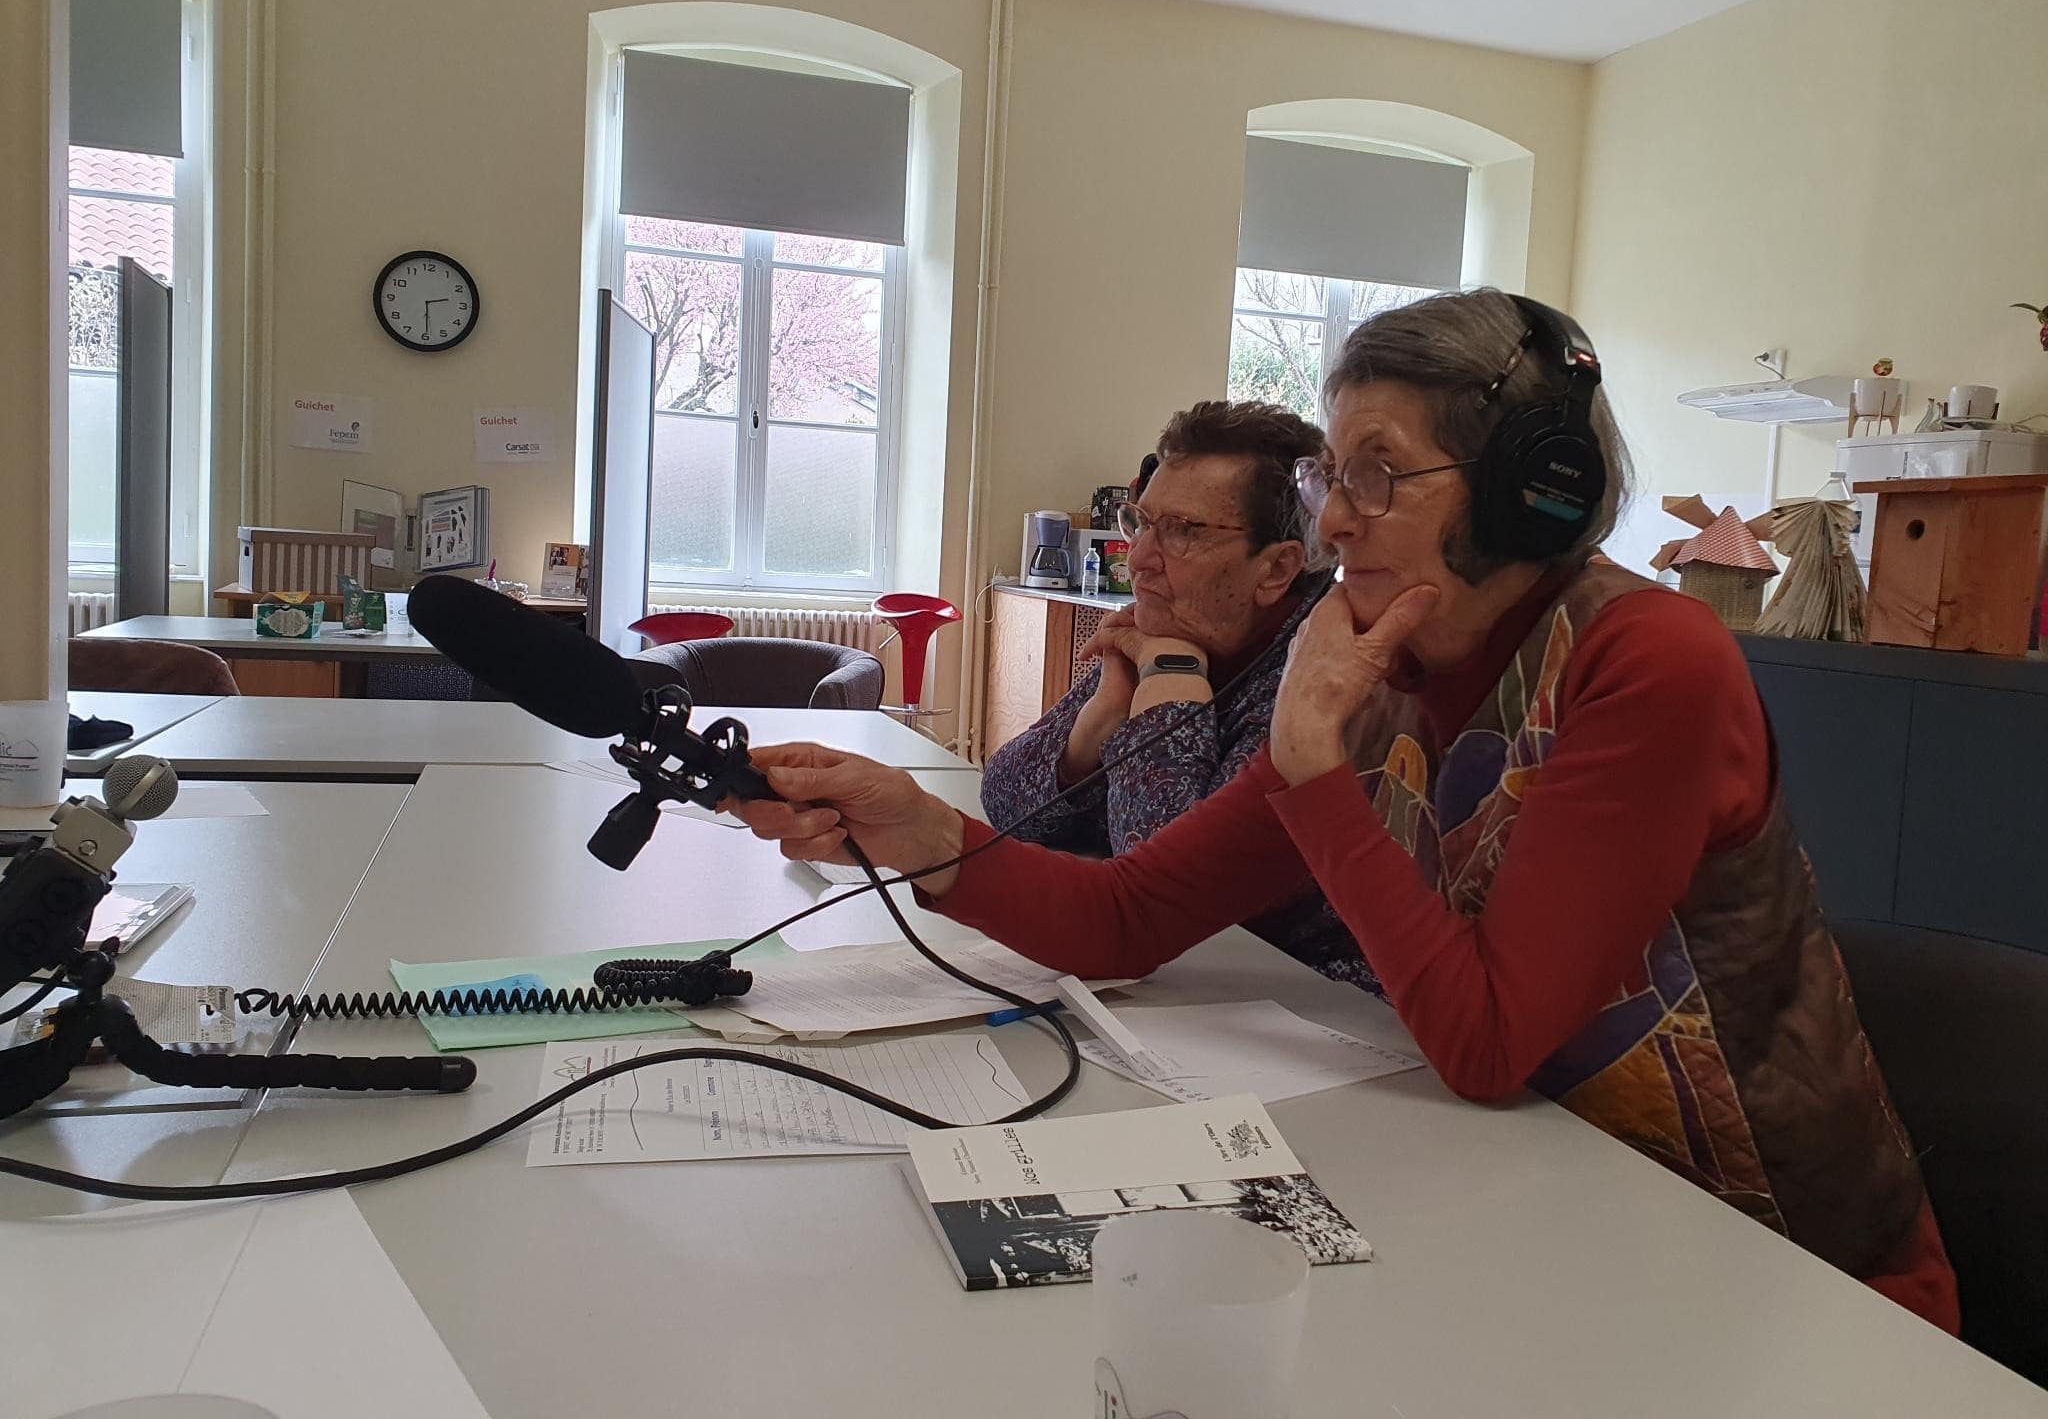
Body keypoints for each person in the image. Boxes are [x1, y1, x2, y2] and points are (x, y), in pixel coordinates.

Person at [727, 290, 1956, 1331]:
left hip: (1774, 1280)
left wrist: (1312, 769)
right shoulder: (1383, 662)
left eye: (1377, 473)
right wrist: (919, 832)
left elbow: (1484, 1045)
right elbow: (1128, 916)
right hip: (1531, 1208)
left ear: (1526, 492)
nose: (1328, 518)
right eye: (1331, 472)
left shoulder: (1647, 662)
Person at [982, 401, 1326, 866]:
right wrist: (1101, 716)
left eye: (1181, 531)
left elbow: (1169, 878)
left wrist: (1171, 678)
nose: (1138, 558)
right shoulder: (1166, 633)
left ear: (1277, 569)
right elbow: (1002, 800)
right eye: (1142, 523)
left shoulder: (1316, 688)